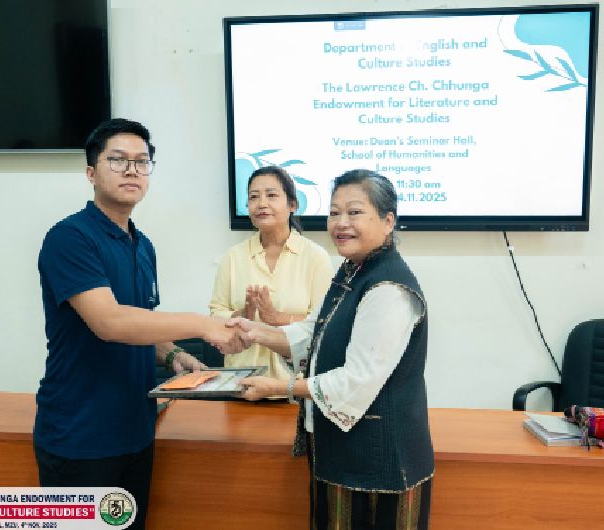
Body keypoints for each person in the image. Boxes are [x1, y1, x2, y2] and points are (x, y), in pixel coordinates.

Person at [33, 118, 243, 530]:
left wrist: (175, 353)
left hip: (136, 430)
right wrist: (203, 325)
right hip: (81, 436)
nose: (132, 170)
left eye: (142, 162)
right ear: (91, 172)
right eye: (118, 160)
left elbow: (142, 322)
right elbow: (110, 322)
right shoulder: (70, 238)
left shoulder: (142, 245)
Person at [228, 169, 434, 529]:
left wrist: (280, 387)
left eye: (354, 212)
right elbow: (314, 333)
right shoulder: (352, 271)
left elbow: (358, 378)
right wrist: (254, 332)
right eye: (334, 212)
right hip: (342, 450)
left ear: (388, 221)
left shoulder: (388, 288)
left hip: (381, 462)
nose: (340, 223)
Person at [209, 166, 333, 381]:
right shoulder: (233, 257)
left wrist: (277, 318)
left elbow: (326, 323)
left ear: (292, 204)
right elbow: (215, 316)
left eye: (272, 195)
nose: (262, 203)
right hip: (241, 381)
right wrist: (243, 314)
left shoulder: (316, 257)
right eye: (254, 197)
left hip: (296, 385)